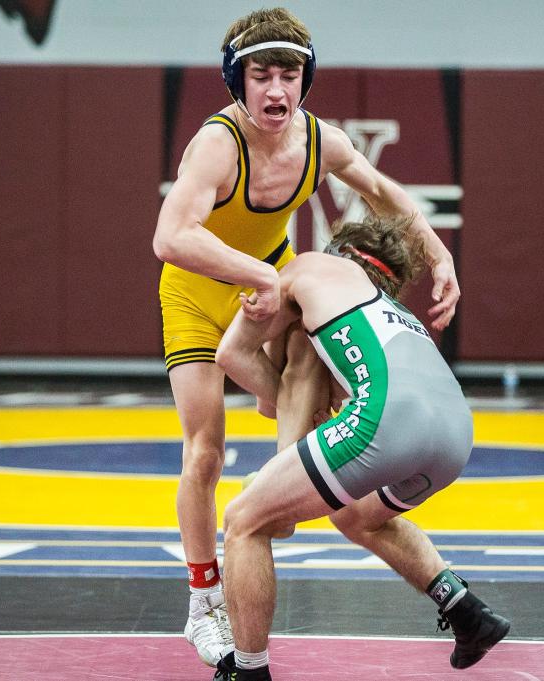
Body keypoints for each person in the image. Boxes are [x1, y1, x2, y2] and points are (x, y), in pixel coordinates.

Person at [150, 7, 460, 668]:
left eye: (288, 75)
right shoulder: (218, 144)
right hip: (196, 293)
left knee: (306, 386)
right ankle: (203, 600)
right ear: (238, 81)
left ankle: (284, 476)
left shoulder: (320, 142)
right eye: (261, 76)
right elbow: (170, 237)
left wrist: (438, 254)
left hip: (264, 283)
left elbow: (383, 190)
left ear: (305, 79)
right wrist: (261, 272)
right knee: (205, 450)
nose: (276, 92)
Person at [211, 216, 510, 680]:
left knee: (244, 522)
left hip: (387, 420)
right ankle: (466, 611)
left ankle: (249, 672)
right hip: (455, 435)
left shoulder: (310, 268)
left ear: (340, 252)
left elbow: (232, 356)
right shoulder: (395, 313)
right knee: (354, 515)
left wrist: (284, 426)